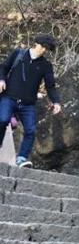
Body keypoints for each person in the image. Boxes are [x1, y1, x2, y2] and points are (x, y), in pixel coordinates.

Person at [0, 34, 61, 168]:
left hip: (28, 104)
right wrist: (2, 80)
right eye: (43, 47)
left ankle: (21, 158)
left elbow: (50, 86)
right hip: (9, 97)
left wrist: (56, 102)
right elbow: (3, 68)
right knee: (2, 120)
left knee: (30, 130)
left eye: (47, 49)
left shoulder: (46, 65)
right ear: (36, 44)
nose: (44, 50)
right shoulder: (18, 54)